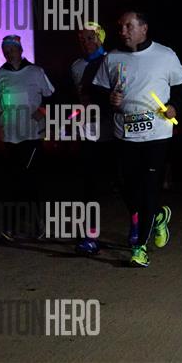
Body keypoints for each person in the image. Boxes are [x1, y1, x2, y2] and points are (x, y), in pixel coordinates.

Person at [93, 10, 182, 267]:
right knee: (127, 187)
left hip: (156, 133)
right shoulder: (112, 58)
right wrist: (108, 98)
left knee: (148, 187)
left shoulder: (165, 55)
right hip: (124, 134)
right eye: (120, 27)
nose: (122, 31)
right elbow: (97, 90)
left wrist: (175, 106)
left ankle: (139, 247)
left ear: (144, 28)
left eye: (129, 26)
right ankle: (157, 216)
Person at [0, 35, 54, 240]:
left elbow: (52, 97)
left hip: (32, 135)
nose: (9, 53)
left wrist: (41, 112)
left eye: (12, 49)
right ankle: (14, 226)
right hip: (9, 136)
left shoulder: (36, 72)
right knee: (13, 181)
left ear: (21, 50)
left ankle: (36, 223)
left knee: (29, 179)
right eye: (5, 50)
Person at [70, 22, 111, 256]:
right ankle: (90, 235)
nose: (85, 42)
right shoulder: (76, 66)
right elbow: (74, 96)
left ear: (100, 38)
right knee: (89, 185)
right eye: (81, 39)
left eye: (90, 37)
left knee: (123, 183)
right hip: (88, 131)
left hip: (113, 132)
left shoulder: (113, 61)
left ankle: (138, 229)